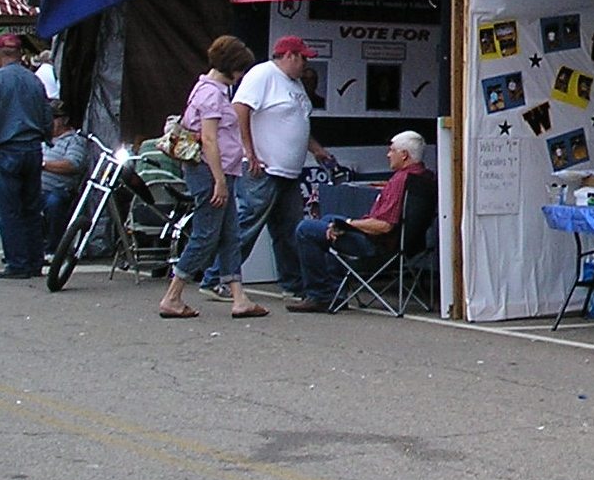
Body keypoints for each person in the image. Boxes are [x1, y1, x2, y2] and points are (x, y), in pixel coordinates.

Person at [201, 36, 334, 298]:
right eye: (303, 58)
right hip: (263, 168)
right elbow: (240, 109)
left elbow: (293, 122)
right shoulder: (263, 75)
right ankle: (216, 277)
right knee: (247, 224)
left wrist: (316, 149)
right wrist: (249, 152)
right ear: (290, 55)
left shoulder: (294, 85)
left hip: (288, 171)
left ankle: (292, 284)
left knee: (288, 230)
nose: (306, 65)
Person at [159, 36, 269, 320]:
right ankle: (173, 295)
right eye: (241, 69)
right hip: (210, 173)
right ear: (232, 66)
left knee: (229, 234)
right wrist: (219, 180)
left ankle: (239, 297)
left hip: (218, 172)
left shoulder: (210, 89)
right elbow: (209, 139)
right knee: (206, 235)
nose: (242, 75)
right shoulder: (212, 94)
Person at [287, 130, 432, 313]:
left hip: (378, 246)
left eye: (391, 150)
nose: (388, 154)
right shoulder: (424, 176)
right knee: (328, 220)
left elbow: (384, 225)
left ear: (404, 155)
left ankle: (320, 294)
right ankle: (335, 292)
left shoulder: (401, 180)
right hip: (408, 245)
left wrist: (348, 224)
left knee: (306, 229)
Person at [0, 33, 52, 279]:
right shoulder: (34, 80)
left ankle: (17, 262)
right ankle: (34, 260)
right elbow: (46, 112)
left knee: (9, 209)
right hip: (32, 147)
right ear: (20, 54)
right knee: (31, 207)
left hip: (7, 147)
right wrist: (47, 136)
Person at [40, 102, 88, 255]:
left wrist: (42, 165)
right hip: (36, 187)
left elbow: (73, 165)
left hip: (60, 189)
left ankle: (53, 249)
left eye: (53, 118)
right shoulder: (41, 139)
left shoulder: (74, 140)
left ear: (64, 119)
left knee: (54, 203)